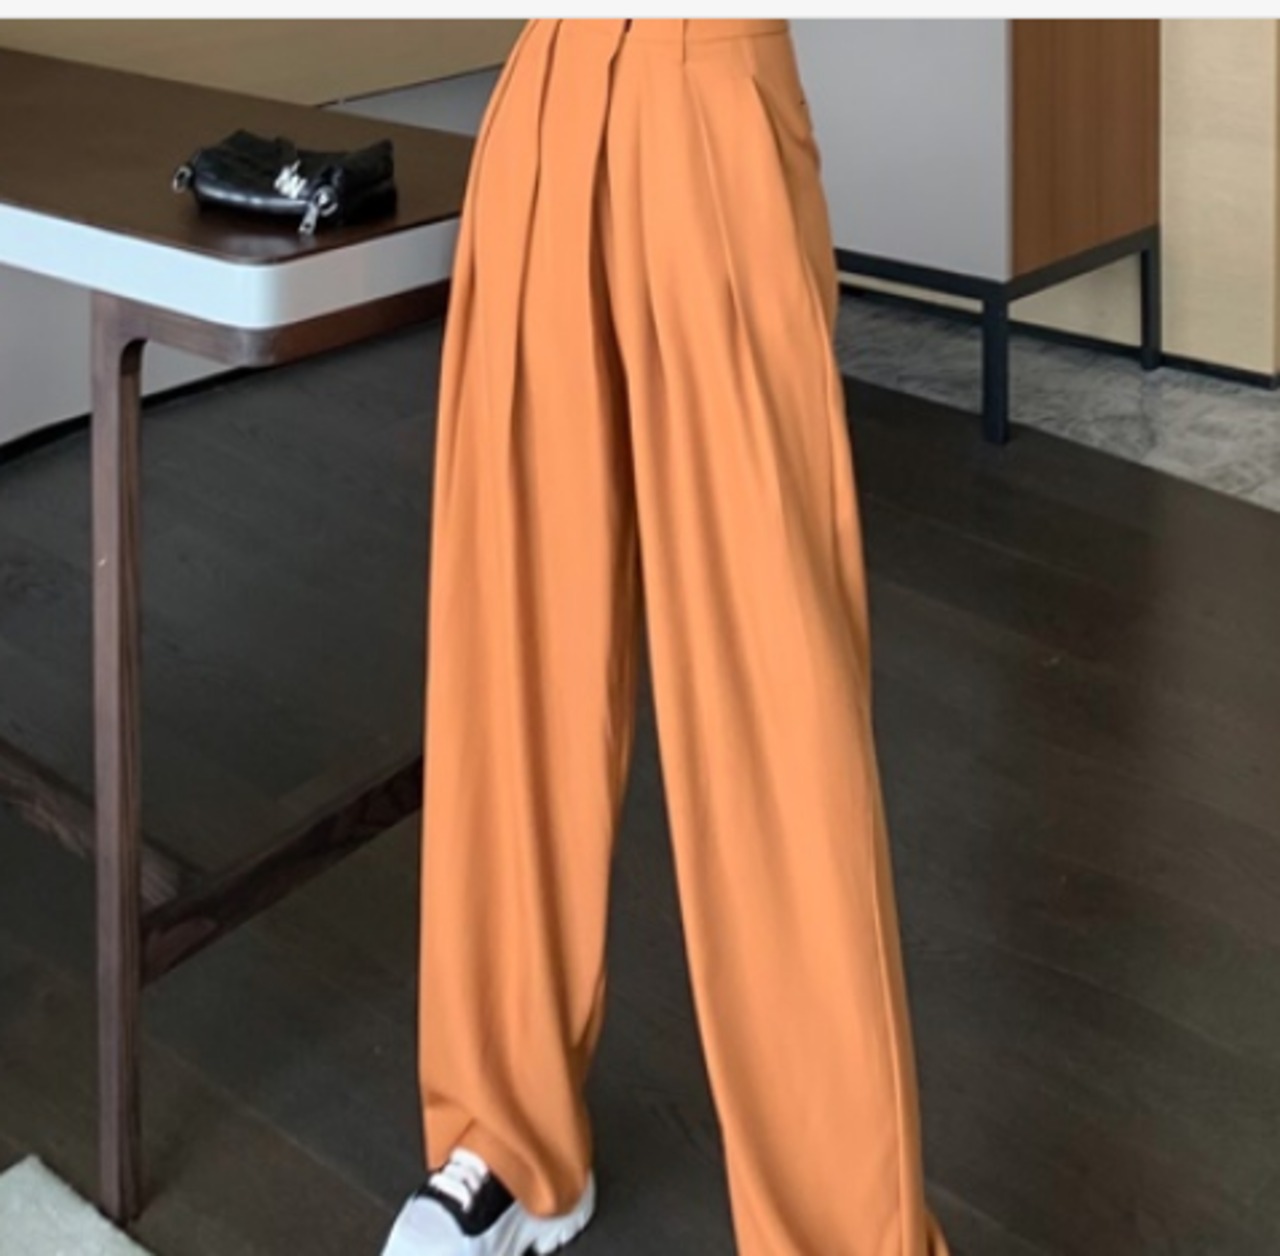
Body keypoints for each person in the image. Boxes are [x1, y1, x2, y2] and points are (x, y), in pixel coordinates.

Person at [380, 18, 950, 1256]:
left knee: (772, 686)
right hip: (544, 88)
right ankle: (506, 1131)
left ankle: (841, 1230)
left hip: (709, 87)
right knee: (511, 653)